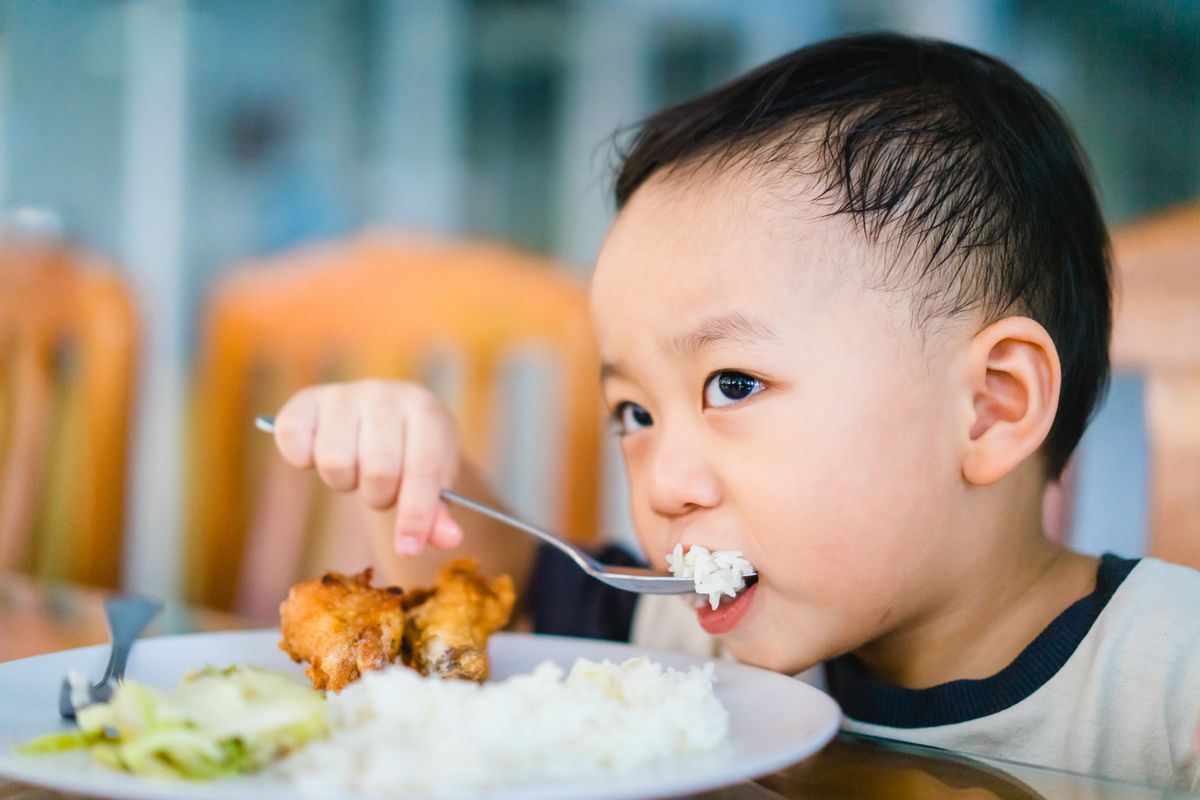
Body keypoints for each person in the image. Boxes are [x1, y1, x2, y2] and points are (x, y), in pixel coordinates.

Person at [269, 33, 1200, 789]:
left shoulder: (1171, 683)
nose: (665, 485)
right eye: (633, 414)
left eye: (733, 386)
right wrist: (415, 473)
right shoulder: (684, 637)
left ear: (991, 409)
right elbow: (504, 590)